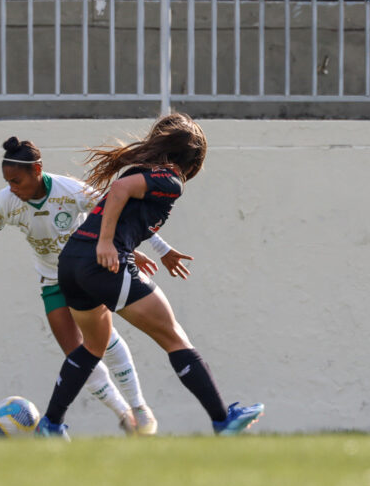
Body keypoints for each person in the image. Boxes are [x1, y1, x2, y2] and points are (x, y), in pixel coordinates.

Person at [34, 113, 264, 439]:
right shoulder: (170, 181)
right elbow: (119, 190)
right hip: (100, 261)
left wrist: (127, 245)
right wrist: (107, 244)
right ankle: (222, 419)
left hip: (72, 262)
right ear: (194, 160)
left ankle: (50, 425)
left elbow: (116, 208)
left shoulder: (145, 170)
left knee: (92, 347)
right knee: (174, 337)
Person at [0, 137, 194, 435]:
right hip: (52, 282)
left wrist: (159, 249)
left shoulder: (69, 190)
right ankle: (125, 417)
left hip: (84, 273)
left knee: (105, 343)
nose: (12, 187)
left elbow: (124, 212)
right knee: (77, 354)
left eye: (17, 180)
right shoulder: (6, 201)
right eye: (8, 181)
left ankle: (140, 408)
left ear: (37, 169)